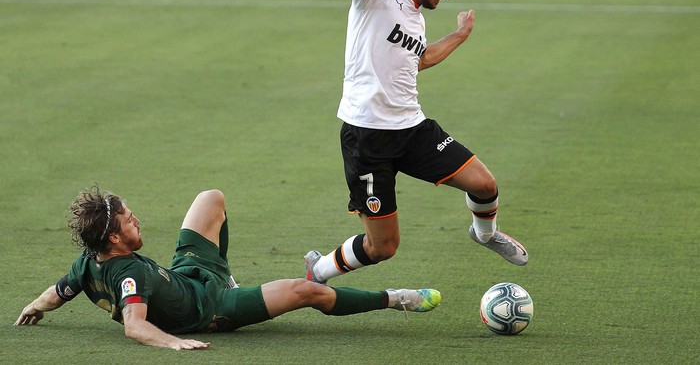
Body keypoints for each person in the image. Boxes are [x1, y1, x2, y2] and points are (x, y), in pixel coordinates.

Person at [304, 0, 528, 285]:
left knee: (484, 185)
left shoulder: (415, 18)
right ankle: (318, 270)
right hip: (367, 139)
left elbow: (418, 60)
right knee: (383, 248)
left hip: (412, 129)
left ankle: (485, 234)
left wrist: (458, 36)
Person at [15, 186, 442, 350]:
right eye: (129, 220)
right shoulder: (131, 277)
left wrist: (36, 306)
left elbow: (60, 291)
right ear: (113, 237)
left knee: (210, 198)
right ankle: (395, 299)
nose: (137, 220)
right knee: (304, 290)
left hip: (188, 275)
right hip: (212, 308)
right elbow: (134, 325)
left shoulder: (87, 262)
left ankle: (228, 275)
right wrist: (173, 343)